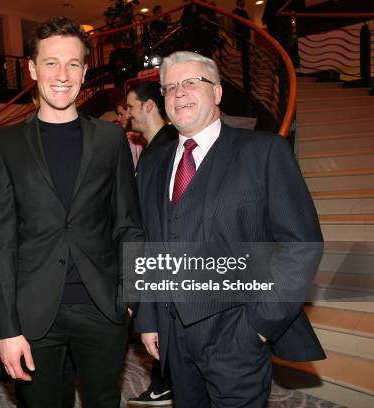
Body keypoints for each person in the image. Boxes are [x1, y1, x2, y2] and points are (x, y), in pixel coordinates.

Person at [134, 51, 325, 407]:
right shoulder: (153, 165)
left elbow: (302, 245)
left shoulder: (264, 151)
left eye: (191, 83)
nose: (179, 93)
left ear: (218, 93)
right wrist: (148, 317)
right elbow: (149, 245)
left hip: (237, 332)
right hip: (173, 334)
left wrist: (258, 326)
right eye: (170, 87)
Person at [0, 17, 144, 408]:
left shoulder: (110, 139)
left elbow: (129, 223)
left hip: (103, 307)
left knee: (103, 401)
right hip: (34, 311)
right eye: (51, 62)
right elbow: (0, 242)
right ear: (32, 68)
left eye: (73, 63)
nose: (62, 74)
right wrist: (6, 328)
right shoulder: (6, 144)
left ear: (85, 70)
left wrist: (130, 295)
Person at [125, 81, 177, 407]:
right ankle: (165, 382)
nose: (126, 114)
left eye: (130, 106)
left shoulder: (168, 148)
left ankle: (164, 383)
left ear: (147, 106)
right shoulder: (155, 147)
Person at [232, 0, 251, 95]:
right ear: (238, 3)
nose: (244, 3)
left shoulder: (245, 12)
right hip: (240, 34)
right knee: (241, 50)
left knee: (246, 50)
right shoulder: (235, 12)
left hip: (246, 34)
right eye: (242, 2)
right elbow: (236, 22)